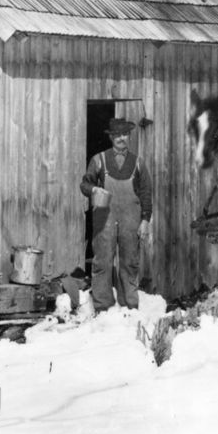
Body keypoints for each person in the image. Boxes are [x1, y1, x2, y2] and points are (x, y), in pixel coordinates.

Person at [80, 118, 153, 311]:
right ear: (111, 137)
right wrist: (94, 190)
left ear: (129, 137)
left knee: (130, 262)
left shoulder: (138, 163)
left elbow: (146, 193)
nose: (121, 138)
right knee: (102, 261)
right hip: (104, 217)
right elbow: (85, 184)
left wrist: (145, 220)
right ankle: (102, 306)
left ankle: (130, 306)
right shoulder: (98, 160)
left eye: (125, 134)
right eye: (117, 135)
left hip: (131, 218)